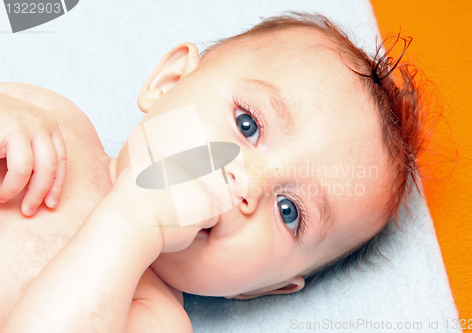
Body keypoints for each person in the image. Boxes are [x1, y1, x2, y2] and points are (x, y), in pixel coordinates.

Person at [0, 12, 425, 332]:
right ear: (169, 82)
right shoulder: (53, 119)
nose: (249, 183)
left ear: (260, 288)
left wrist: (132, 221)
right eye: (248, 125)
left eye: (288, 210)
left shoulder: (151, 316)